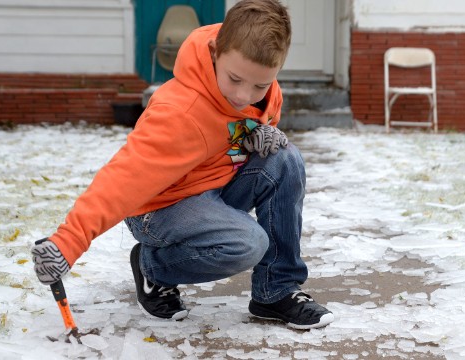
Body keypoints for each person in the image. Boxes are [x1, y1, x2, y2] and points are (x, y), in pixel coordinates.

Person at [31, 0, 334, 330]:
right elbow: (124, 178)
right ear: (216, 52)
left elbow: (232, 126)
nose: (243, 96)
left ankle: (275, 292)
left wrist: (251, 135)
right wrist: (68, 242)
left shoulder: (262, 91)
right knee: (248, 243)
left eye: (260, 85)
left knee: (284, 159)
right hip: (159, 207)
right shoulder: (180, 112)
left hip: (211, 188)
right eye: (235, 79)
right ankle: (152, 266)